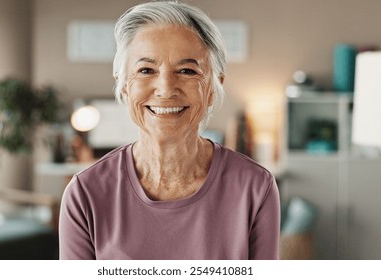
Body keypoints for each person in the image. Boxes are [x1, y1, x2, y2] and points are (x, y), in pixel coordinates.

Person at [59, 0, 280, 260]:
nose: (165, 88)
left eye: (187, 70)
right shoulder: (85, 193)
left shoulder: (255, 188)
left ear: (212, 88)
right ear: (125, 85)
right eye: (146, 70)